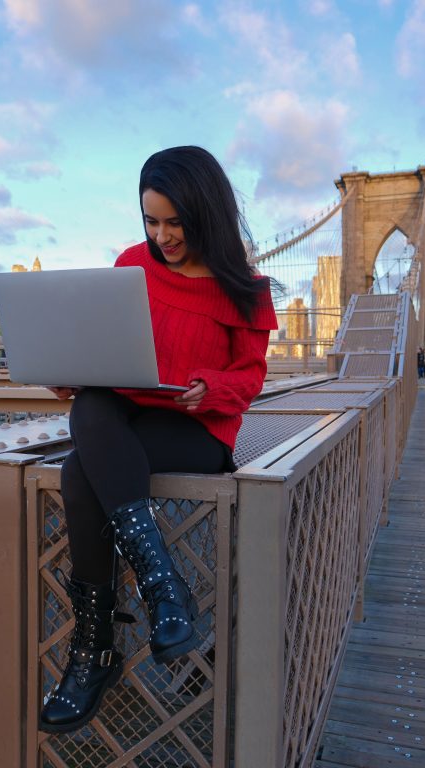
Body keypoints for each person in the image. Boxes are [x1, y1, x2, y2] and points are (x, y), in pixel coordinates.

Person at [39, 146, 278, 733]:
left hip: (197, 427)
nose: (162, 235)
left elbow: (249, 378)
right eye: (151, 220)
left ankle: (94, 651)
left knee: (78, 474)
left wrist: (212, 387)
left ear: (206, 214)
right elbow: (102, 345)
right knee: (92, 404)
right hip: (124, 416)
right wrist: (71, 369)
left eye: (175, 222)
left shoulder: (243, 288)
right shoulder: (129, 264)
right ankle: (163, 589)